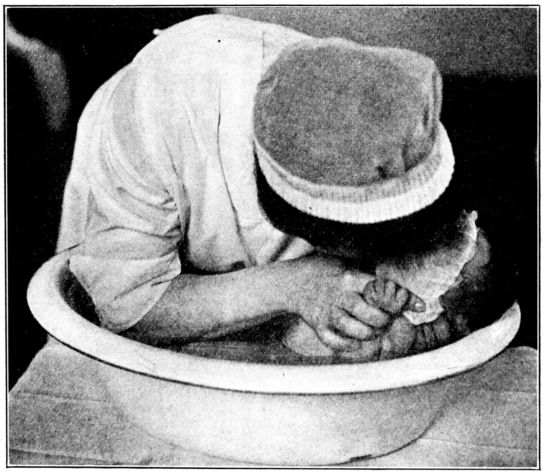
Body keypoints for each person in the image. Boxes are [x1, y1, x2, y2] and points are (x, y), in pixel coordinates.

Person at [57, 14, 470, 357]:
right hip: (144, 198)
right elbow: (129, 307)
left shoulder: (390, 122)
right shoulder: (152, 116)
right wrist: (295, 284)